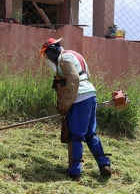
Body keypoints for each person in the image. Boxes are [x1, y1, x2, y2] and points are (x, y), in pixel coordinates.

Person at [40, 37, 111, 179]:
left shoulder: (63, 59)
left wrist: (65, 103)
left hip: (79, 98)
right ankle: (104, 164)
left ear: (53, 50)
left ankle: (75, 171)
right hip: (90, 94)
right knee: (91, 134)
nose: (47, 58)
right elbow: (86, 75)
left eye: (47, 54)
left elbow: (74, 79)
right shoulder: (75, 55)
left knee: (76, 135)